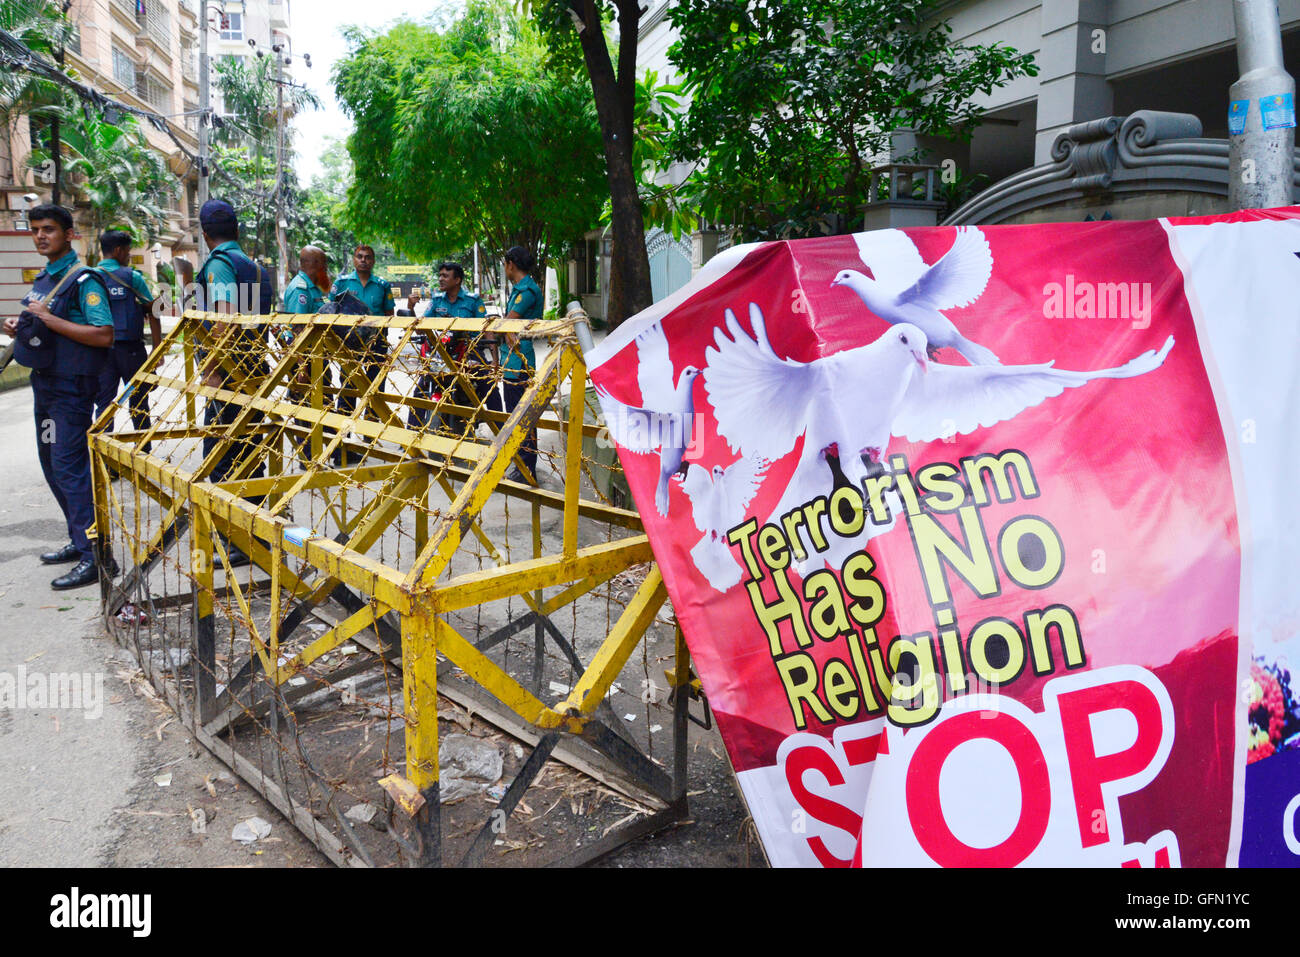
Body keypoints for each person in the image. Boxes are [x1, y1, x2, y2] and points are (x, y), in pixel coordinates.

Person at [2, 204, 118, 589]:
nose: (40, 236)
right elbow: (45, 321)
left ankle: (96, 557)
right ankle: (78, 538)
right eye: (35, 229)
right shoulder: (46, 278)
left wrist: (47, 319)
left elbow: (103, 334)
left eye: (48, 229)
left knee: (70, 467)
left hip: (71, 389)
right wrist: (23, 323)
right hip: (47, 387)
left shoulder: (84, 280)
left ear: (70, 235)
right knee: (52, 463)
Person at [196, 199, 274, 566]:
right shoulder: (255, 268)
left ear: (204, 232)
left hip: (227, 374)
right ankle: (254, 533)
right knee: (248, 449)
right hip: (252, 367)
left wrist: (211, 367)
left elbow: (224, 320)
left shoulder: (219, 264)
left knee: (221, 453)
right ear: (237, 229)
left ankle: (240, 540)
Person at [93, 231, 161, 450]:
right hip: (131, 352)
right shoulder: (133, 277)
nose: (129, 256)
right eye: (128, 251)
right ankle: (143, 452)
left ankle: (106, 457)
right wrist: (157, 348)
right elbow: (154, 310)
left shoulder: (88, 277)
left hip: (100, 352)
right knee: (139, 401)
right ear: (119, 251)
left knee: (104, 404)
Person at [405, 261, 487, 431]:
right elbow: (421, 329)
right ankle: (411, 435)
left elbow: (486, 328)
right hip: (440, 354)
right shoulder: (436, 301)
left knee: (487, 383)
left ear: (457, 280)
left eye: (445, 276)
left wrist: (492, 358)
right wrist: (410, 308)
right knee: (420, 390)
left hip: (468, 351)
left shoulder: (473, 301)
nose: (441, 279)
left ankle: (500, 426)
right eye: (440, 275)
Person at [495, 246, 547, 483]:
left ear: (511, 264)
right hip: (513, 360)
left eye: (505, 264)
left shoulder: (526, 291)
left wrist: (503, 326)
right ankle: (520, 463)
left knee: (521, 416)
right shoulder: (521, 289)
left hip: (519, 361)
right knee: (515, 414)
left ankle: (527, 467)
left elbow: (511, 325)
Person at [330, 244, 395, 423]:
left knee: (376, 386)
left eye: (367, 257)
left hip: (377, 342)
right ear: (354, 259)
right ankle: (345, 435)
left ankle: (371, 433)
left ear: (373, 261)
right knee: (348, 385)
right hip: (350, 343)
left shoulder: (382, 285)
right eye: (360, 256)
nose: (363, 260)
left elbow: (390, 315)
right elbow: (331, 310)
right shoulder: (342, 283)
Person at [279, 245, 330, 461]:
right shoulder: (301, 289)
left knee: (322, 401)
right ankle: (308, 455)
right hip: (305, 359)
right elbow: (296, 329)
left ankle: (320, 450)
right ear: (314, 264)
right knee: (304, 406)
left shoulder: (314, 287)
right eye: (323, 263)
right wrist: (300, 365)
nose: (326, 268)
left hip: (317, 355)